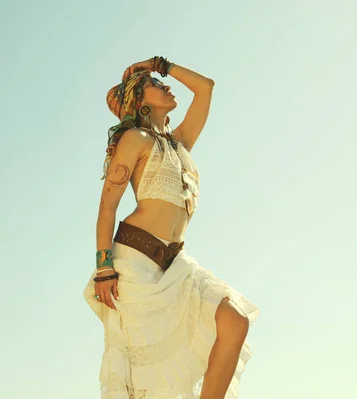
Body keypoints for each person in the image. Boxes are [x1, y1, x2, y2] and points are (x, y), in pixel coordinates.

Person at [82, 56, 259, 399]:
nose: (165, 86)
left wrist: (160, 64)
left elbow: (205, 88)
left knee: (235, 322)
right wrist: (104, 267)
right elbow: (107, 206)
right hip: (135, 262)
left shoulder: (180, 143)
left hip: (175, 264)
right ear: (140, 101)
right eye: (154, 84)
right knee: (149, 379)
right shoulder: (134, 139)